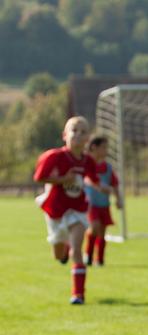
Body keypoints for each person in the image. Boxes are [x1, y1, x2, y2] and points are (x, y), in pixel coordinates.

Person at [33, 116, 99, 305]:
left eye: (83, 132)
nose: (78, 134)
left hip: (77, 209)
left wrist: (103, 188)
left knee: (77, 250)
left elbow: (93, 178)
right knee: (59, 255)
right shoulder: (54, 157)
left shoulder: (88, 161)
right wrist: (62, 180)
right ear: (64, 135)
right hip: (56, 209)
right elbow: (39, 178)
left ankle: (78, 294)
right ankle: (64, 249)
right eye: (74, 130)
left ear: (87, 139)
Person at [84, 135, 122, 266]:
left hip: (104, 205)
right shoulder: (87, 164)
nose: (106, 150)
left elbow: (115, 184)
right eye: (104, 147)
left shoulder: (108, 168)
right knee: (94, 227)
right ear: (94, 148)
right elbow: (86, 179)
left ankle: (99, 260)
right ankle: (88, 255)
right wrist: (98, 186)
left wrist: (118, 199)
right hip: (90, 204)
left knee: (102, 232)